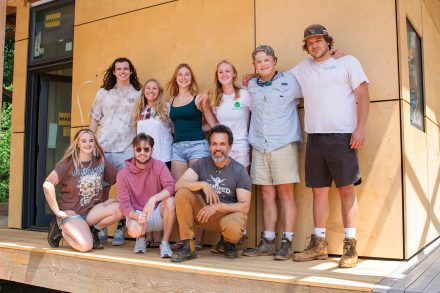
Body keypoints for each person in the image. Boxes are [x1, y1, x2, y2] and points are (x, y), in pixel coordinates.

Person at [290, 24, 370, 268]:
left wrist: (360, 129)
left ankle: (350, 246)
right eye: (310, 42)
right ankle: (319, 244)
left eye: (319, 40)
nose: (315, 45)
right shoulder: (303, 68)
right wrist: (253, 77)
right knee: (319, 191)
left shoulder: (348, 63)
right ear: (307, 47)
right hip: (315, 137)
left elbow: (364, 95)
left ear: (328, 41)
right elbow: (278, 80)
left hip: (342, 137)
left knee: (346, 190)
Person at [242, 45, 302, 261]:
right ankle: (268, 241)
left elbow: (315, 83)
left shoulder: (291, 81)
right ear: (254, 66)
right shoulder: (250, 86)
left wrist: (336, 58)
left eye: (267, 60)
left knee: (285, 194)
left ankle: (287, 241)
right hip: (259, 145)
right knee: (267, 194)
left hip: (282, 145)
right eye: (258, 61)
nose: (263, 64)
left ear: (275, 61)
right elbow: (241, 105)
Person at [171, 125, 251, 262]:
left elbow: (245, 206)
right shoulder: (201, 163)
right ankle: (188, 247)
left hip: (225, 217)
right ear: (209, 147)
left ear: (230, 147)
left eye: (222, 144)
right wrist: (203, 184)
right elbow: (178, 185)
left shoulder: (239, 170)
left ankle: (230, 243)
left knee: (238, 219)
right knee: (182, 193)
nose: (218, 148)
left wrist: (218, 207)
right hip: (203, 215)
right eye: (214, 144)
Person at [89, 57, 142, 246]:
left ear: (131, 71)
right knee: (101, 191)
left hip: (127, 149)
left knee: (124, 192)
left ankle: (120, 225)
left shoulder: (138, 93)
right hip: (103, 148)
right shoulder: (104, 93)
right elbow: (95, 118)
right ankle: (99, 227)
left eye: (126, 68)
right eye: (118, 69)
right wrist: (90, 143)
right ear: (113, 72)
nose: (122, 72)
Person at [44, 128, 123, 252]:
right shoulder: (67, 163)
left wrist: (116, 198)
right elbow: (47, 185)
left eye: (91, 141)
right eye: (84, 141)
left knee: (120, 208)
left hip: (92, 213)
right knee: (86, 246)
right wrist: (58, 212)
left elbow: (122, 179)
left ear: (95, 143)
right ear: (78, 143)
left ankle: (93, 230)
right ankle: (61, 228)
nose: (88, 144)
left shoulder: (100, 162)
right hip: (73, 214)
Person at [166, 63, 217, 249]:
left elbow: (212, 124)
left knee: (198, 191)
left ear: (191, 78)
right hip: (177, 148)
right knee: (180, 191)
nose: (184, 77)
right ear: (176, 78)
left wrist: (197, 129)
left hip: (198, 146)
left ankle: (200, 238)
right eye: (180, 74)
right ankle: (184, 237)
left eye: (187, 74)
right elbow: (172, 127)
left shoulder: (198, 99)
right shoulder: (170, 101)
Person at [117, 133, 176, 258]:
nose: (142, 153)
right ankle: (141, 238)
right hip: (137, 214)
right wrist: (136, 216)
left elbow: (171, 187)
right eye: (138, 149)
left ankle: (164, 243)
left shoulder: (159, 165)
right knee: (134, 230)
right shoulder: (123, 174)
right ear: (133, 150)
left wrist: (153, 199)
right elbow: (124, 205)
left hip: (156, 213)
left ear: (152, 150)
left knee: (171, 201)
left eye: (146, 149)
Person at [209, 60, 252, 168]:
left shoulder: (244, 94)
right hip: (221, 149)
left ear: (234, 74)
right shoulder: (216, 99)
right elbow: (216, 124)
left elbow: (257, 117)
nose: (224, 74)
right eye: (220, 72)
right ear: (217, 76)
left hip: (241, 148)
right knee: (223, 184)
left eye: (227, 71)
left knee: (242, 184)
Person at [133, 78, 173, 170]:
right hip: (144, 157)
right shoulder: (140, 110)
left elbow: (175, 128)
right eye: (148, 88)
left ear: (159, 91)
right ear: (143, 91)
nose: (151, 91)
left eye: (154, 88)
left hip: (163, 157)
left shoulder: (166, 107)